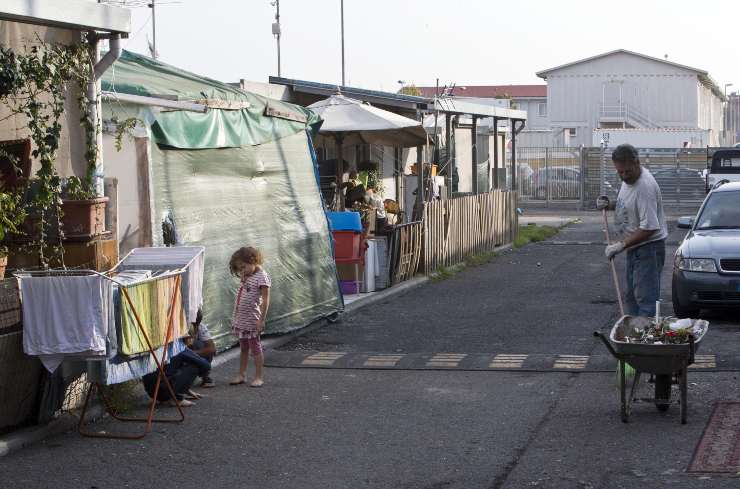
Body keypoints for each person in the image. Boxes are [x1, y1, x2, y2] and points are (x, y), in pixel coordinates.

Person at [598, 143, 668, 317]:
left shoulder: (644, 187)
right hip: (635, 248)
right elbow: (629, 207)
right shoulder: (629, 179)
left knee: (646, 300)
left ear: (637, 162)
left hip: (648, 249)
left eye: (626, 171)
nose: (623, 176)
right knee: (632, 298)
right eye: (619, 172)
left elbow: (650, 227)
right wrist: (610, 204)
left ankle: (645, 340)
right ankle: (635, 335)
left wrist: (621, 245)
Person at [228, 246, 271, 387]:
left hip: (253, 318)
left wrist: (261, 320)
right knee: (243, 347)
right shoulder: (246, 275)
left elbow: (265, 299)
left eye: (243, 267)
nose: (242, 271)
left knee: (255, 347)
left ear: (253, 260)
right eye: (239, 269)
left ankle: (259, 376)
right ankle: (242, 374)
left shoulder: (262, 276)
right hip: (242, 318)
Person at [141, 348, 211, 407]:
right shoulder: (178, 348)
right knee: (193, 367)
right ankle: (176, 399)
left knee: (184, 362)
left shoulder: (162, 346)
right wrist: (191, 353)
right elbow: (206, 365)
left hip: (153, 393)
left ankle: (174, 395)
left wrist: (186, 389)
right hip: (163, 392)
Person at [187, 309, 216, 388]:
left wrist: (193, 353)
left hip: (190, 353)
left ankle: (205, 376)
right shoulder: (183, 327)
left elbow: (212, 349)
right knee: (196, 345)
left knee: (201, 346)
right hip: (182, 354)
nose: (196, 326)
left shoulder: (201, 326)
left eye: (197, 323)